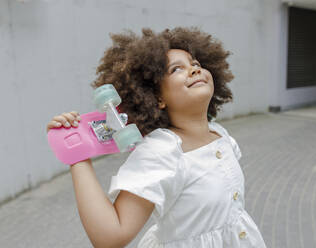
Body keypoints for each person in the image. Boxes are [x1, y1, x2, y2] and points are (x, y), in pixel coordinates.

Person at [46, 27, 267, 248]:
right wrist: (78, 157)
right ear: (158, 98)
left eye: (196, 64)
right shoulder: (162, 151)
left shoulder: (220, 134)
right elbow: (110, 236)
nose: (193, 70)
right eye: (176, 69)